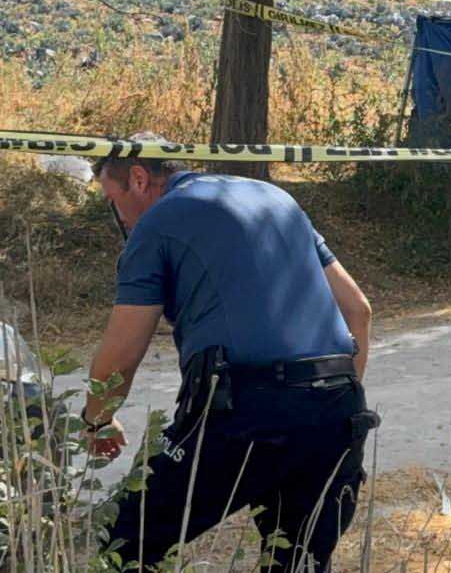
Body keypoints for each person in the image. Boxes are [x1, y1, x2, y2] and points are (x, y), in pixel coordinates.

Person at [86, 141, 376, 571]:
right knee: (298, 561)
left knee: (123, 541)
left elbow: (123, 352)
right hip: (338, 406)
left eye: (113, 202)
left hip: (244, 407)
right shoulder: (275, 198)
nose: (120, 218)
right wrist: (329, 403)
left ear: (139, 179)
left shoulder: (159, 221)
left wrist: (97, 419)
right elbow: (358, 311)